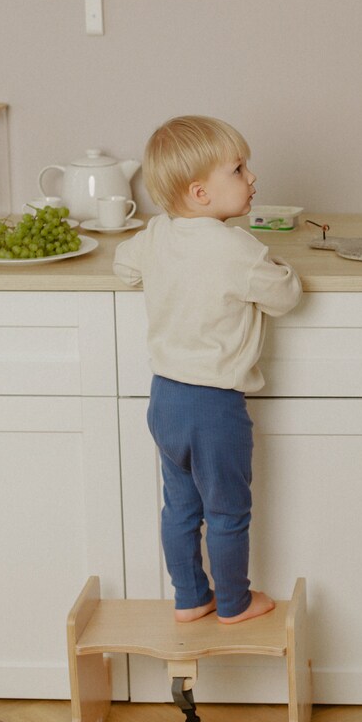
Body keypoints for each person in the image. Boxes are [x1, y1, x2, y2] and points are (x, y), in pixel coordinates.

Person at [113, 115, 302, 625]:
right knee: (227, 512)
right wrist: (283, 267)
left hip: (165, 399)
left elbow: (123, 266)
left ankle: (191, 598)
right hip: (214, 406)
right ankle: (236, 603)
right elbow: (285, 296)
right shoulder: (236, 248)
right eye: (239, 169)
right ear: (200, 193)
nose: (252, 178)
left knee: (180, 509)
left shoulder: (156, 235)